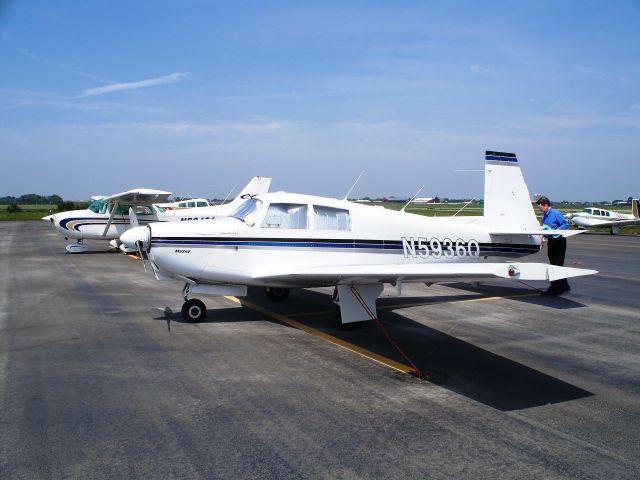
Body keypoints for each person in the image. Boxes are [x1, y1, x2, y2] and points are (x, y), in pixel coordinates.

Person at [536, 196, 570, 295]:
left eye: (540, 207)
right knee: (556, 264)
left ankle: (554, 289)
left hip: (559, 242)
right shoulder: (545, 215)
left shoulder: (556, 213)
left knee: (555, 265)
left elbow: (565, 225)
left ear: (546, 205)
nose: (540, 210)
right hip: (551, 241)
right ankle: (564, 286)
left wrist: (556, 231)